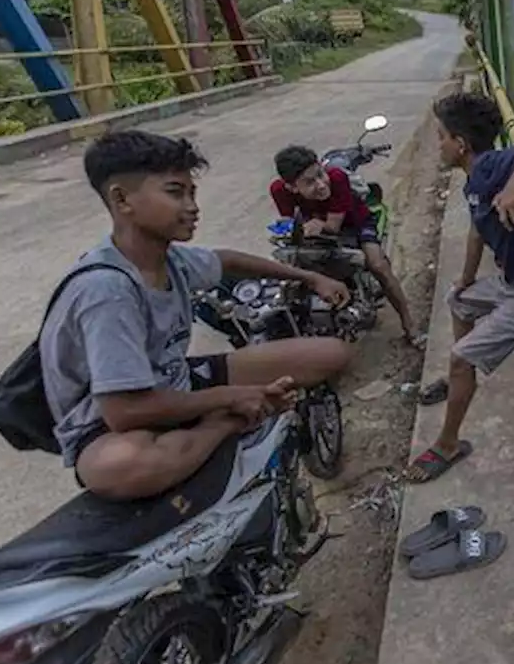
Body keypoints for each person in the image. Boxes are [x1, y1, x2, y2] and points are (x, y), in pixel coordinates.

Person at [41, 130, 355, 501]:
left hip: (174, 382)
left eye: (192, 192)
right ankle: (225, 425)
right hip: (107, 423)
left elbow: (226, 260)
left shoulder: (168, 257)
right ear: (121, 199)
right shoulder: (107, 291)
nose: (192, 206)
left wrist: (310, 276)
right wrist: (231, 399)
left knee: (331, 353)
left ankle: (214, 423)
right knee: (122, 467)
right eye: (176, 193)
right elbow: (124, 413)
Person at [404, 92, 514, 483]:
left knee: (461, 357)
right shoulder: (473, 181)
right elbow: (476, 230)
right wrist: (467, 279)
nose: (437, 144)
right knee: (456, 301)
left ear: (461, 144)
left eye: (440, 136)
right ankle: (460, 376)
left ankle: (447, 444)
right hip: (510, 283)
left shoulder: (490, 166)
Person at [269, 145, 424, 347]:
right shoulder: (279, 190)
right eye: (310, 182)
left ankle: (409, 324)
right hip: (315, 230)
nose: (322, 184)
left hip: (355, 224)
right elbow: (291, 223)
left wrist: (313, 225)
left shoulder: (337, 178)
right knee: (291, 274)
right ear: (291, 187)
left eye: (320, 175)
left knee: (378, 266)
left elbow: (333, 227)